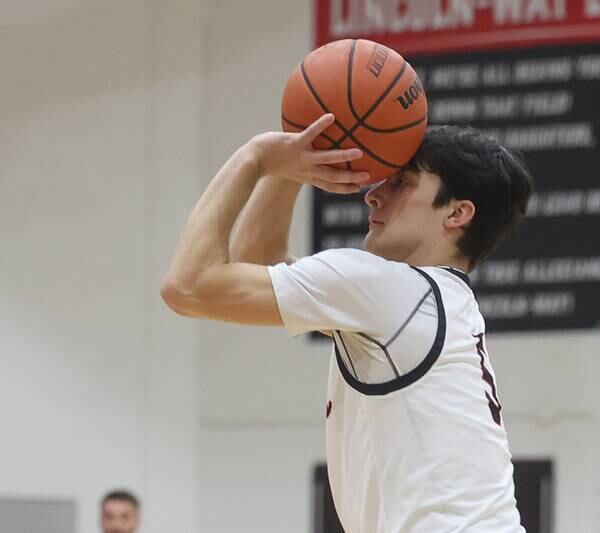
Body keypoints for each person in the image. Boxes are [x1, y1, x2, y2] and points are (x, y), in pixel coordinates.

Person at [161, 114, 532, 532]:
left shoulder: (387, 289)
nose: (373, 196)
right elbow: (257, 267)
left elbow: (188, 286)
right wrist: (293, 166)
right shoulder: (426, 298)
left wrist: (257, 156)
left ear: (457, 213)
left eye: (401, 184)